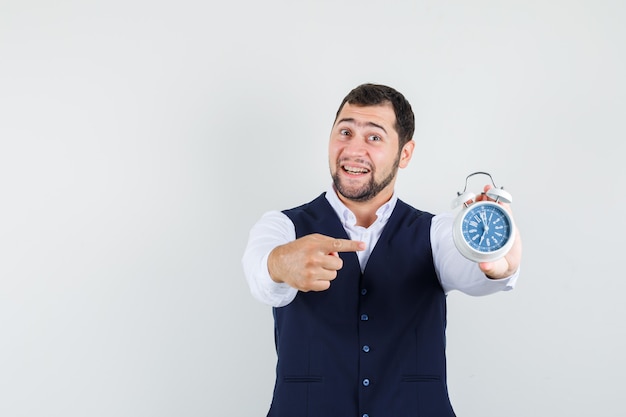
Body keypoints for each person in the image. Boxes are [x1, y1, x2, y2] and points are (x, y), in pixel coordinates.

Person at [242, 83, 522, 417]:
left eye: (374, 137)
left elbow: (470, 269)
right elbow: (260, 269)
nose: (353, 149)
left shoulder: (437, 232)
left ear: (405, 153)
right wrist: (281, 264)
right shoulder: (282, 226)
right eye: (345, 132)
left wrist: (497, 263)